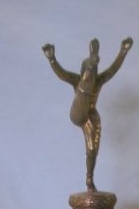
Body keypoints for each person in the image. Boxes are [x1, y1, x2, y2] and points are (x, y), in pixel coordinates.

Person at [43, 37, 133, 190]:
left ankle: (89, 178)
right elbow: (62, 74)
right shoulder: (76, 80)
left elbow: (113, 69)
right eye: (89, 70)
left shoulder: (99, 81)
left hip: (90, 116)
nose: (93, 76)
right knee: (82, 88)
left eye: (93, 71)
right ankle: (92, 62)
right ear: (82, 70)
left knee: (92, 150)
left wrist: (123, 52)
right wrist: (52, 59)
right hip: (78, 113)